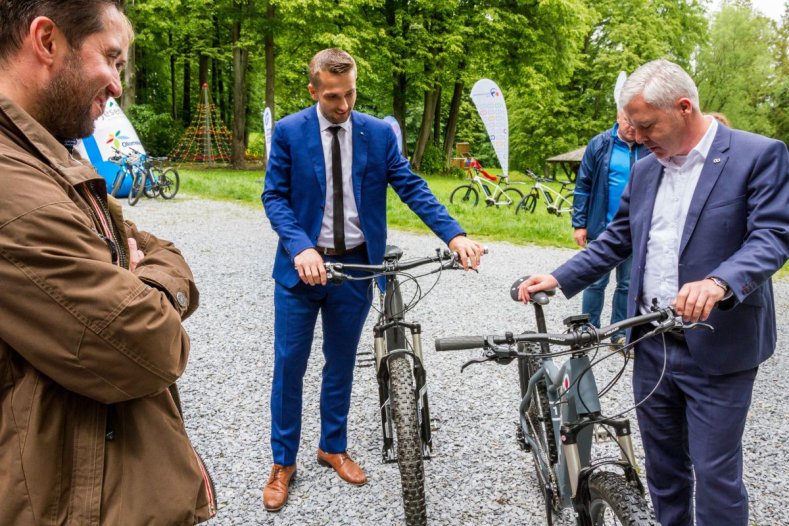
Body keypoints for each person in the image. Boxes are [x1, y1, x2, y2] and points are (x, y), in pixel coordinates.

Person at [518, 59, 788, 525]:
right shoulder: (646, 171)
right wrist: (561, 277)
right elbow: (617, 238)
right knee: (663, 475)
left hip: (720, 346)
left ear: (684, 108)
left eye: (646, 126)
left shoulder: (758, 155)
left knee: (716, 475)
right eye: (634, 127)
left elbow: (772, 235)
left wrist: (719, 281)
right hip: (651, 344)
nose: (638, 138)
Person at [0, 1, 216, 524]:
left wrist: (137, 278)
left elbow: (156, 247)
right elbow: (146, 344)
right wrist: (151, 288)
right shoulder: (17, 187)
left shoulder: (47, 155)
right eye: (112, 59)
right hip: (66, 499)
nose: (119, 85)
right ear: (47, 41)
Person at [261, 48, 485, 512]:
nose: (343, 105)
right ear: (313, 90)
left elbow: (411, 186)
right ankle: (283, 462)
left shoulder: (378, 133)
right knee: (289, 367)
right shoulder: (288, 132)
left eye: (350, 94)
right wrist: (300, 246)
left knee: (341, 362)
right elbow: (274, 196)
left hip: (356, 268)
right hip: (301, 270)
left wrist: (455, 234)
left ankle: (332, 446)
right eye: (332, 96)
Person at [572, 110, 650, 347]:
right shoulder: (600, 144)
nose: (632, 127)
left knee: (627, 284)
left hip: (635, 229)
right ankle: (588, 329)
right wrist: (580, 223)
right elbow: (583, 184)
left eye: (636, 123)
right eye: (628, 121)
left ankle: (618, 332)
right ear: (618, 117)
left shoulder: (646, 145)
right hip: (602, 226)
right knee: (595, 281)